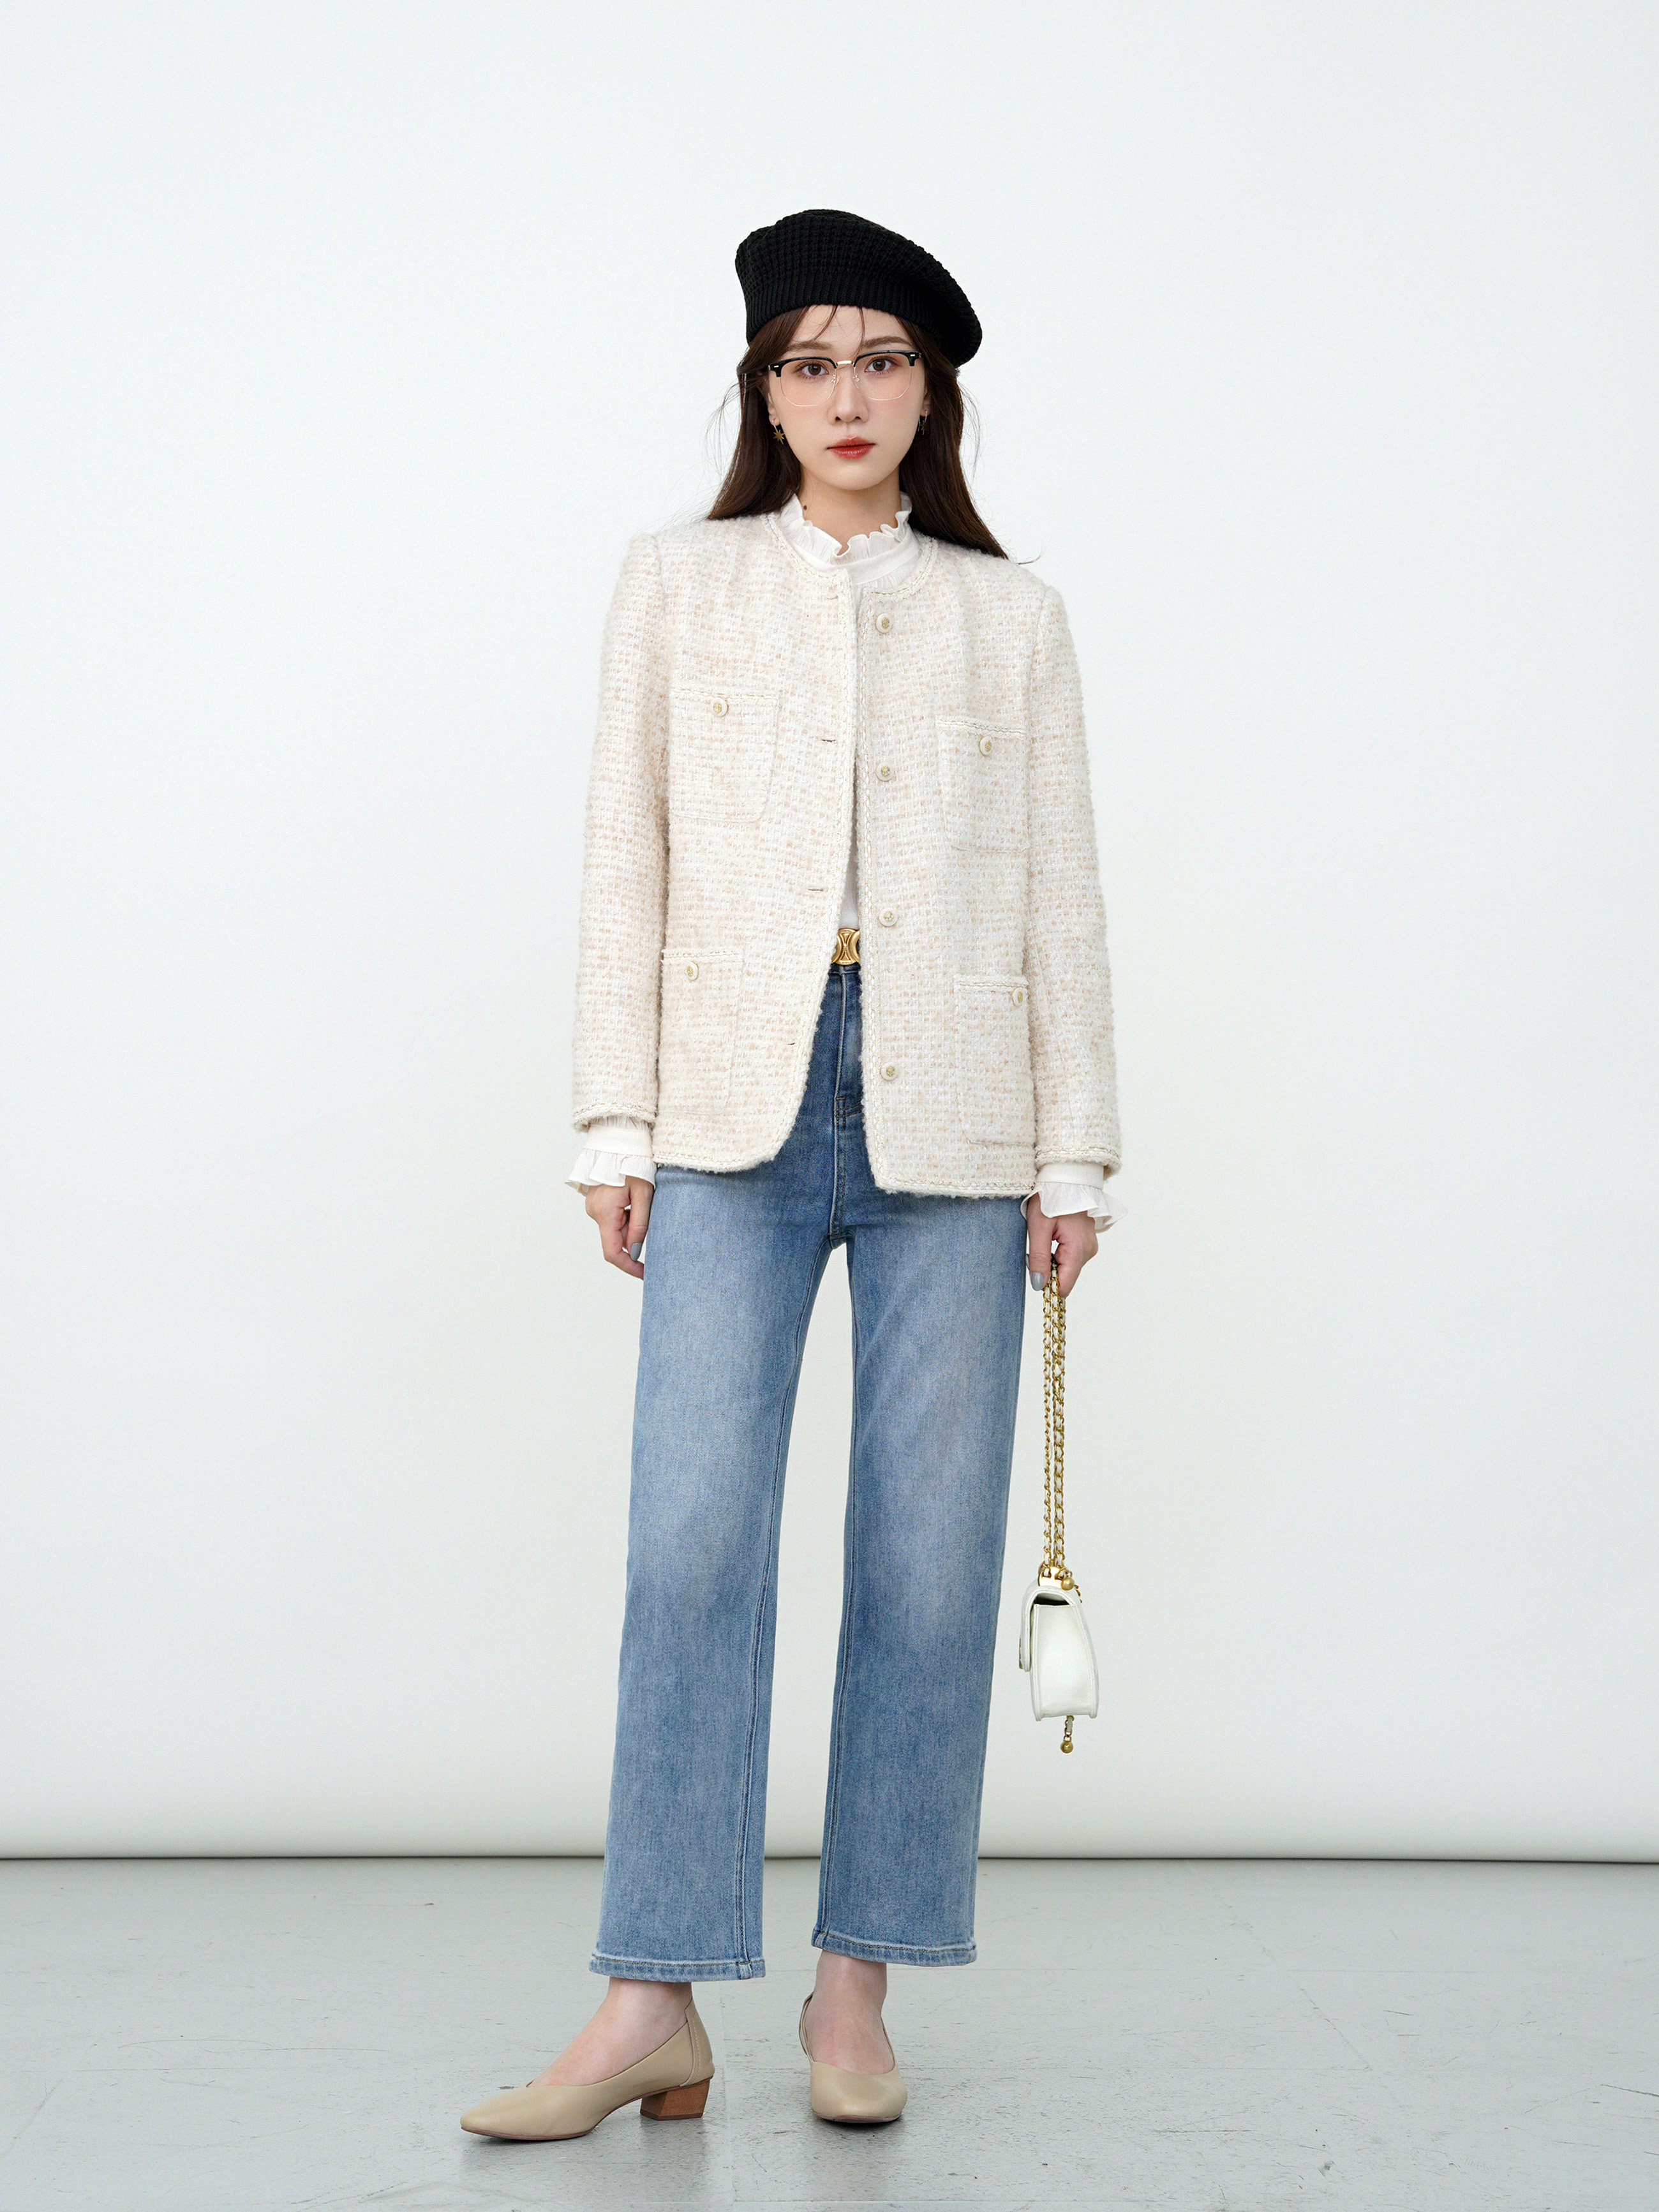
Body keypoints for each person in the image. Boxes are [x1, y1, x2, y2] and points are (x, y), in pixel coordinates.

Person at [461, 207, 1121, 2144]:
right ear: (764, 391)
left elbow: (1065, 900)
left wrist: (1075, 1149)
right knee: (690, 1548)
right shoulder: (676, 583)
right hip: (725, 1107)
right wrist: (613, 1123)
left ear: (932, 392)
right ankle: (649, 1998)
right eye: (810, 362)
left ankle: (858, 1986)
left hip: (960, 1115)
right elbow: (626, 857)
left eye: (882, 360)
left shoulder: (1010, 615)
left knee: (924, 1563)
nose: (848, 395)